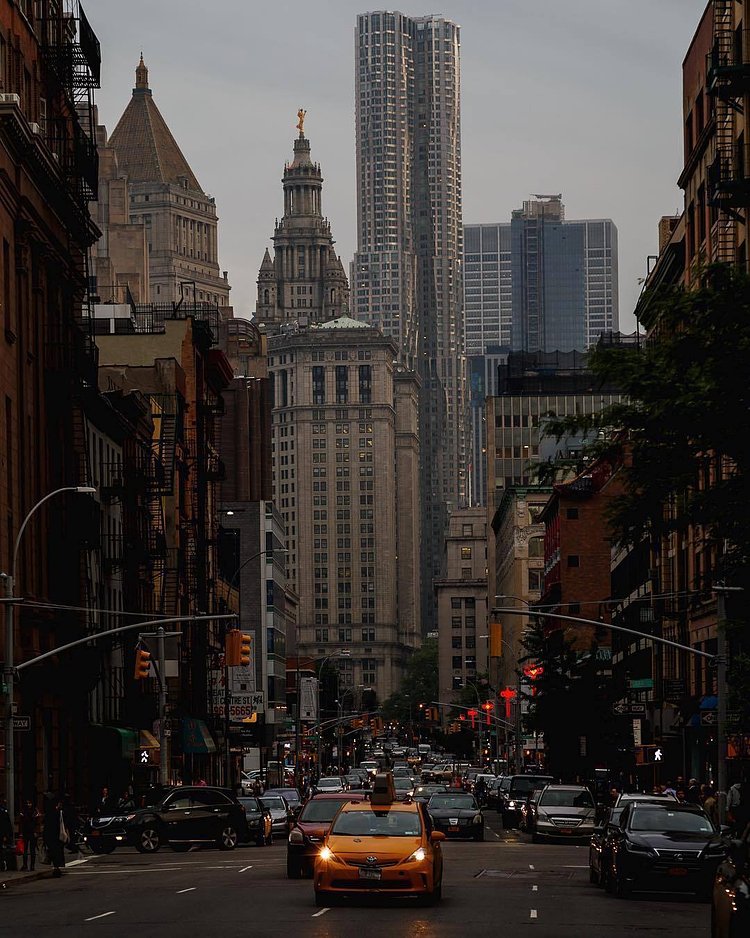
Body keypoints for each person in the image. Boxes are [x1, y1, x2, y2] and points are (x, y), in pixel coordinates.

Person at [43, 794, 68, 878]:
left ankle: (56, 868)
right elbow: (61, 824)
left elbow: (46, 826)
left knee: (53, 852)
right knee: (57, 852)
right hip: (56, 836)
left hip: (50, 836)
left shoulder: (49, 813)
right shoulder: (57, 813)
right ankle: (57, 868)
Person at [19, 799, 41, 872]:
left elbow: (37, 823)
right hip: (27, 832)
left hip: (31, 832)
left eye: (30, 803)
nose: (29, 805)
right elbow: (21, 823)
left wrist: (36, 832)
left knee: (31, 850)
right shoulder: (30, 811)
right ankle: (26, 865)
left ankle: (31, 866)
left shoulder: (34, 811)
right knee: (26, 850)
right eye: (27, 803)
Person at [727, 770, 750, 835]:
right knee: (743, 824)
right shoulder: (746, 787)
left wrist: (728, 811)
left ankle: (737, 834)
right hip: (743, 808)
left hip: (735, 808)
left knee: (736, 824)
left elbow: (729, 801)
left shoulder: (732, 789)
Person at [0, 796, 14, 873]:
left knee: (2, 850)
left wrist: (6, 835)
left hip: (2, 833)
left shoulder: (3, 810)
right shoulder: (3, 810)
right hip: (3, 833)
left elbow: (5, 823)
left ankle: (2, 865)